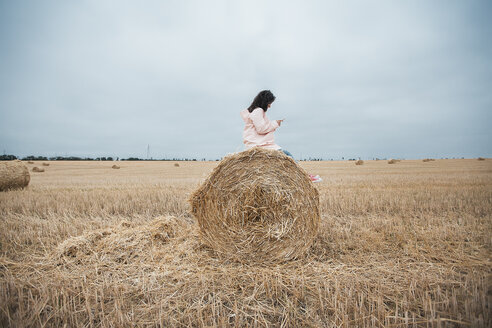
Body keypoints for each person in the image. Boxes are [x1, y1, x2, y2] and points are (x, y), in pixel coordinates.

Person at [240, 90, 322, 183]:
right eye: (269, 103)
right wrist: (275, 123)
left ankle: (304, 176)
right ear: (265, 102)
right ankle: (305, 177)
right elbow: (261, 129)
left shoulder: (256, 112)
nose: (270, 106)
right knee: (287, 156)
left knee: (287, 155)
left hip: (258, 144)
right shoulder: (258, 111)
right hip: (258, 144)